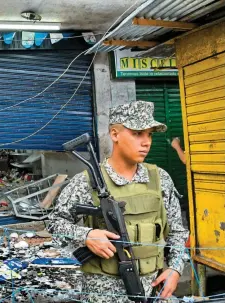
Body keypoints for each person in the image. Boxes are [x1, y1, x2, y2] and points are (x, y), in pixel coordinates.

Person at [48, 101, 189, 303]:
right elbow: (55, 224)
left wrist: (175, 269)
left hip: (150, 289)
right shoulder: (88, 181)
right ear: (115, 134)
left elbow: (177, 231)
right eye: (137, 133)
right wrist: (87, 235)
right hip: (102, 292)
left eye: (149, 134)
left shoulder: (160, 179)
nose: (146, 142)